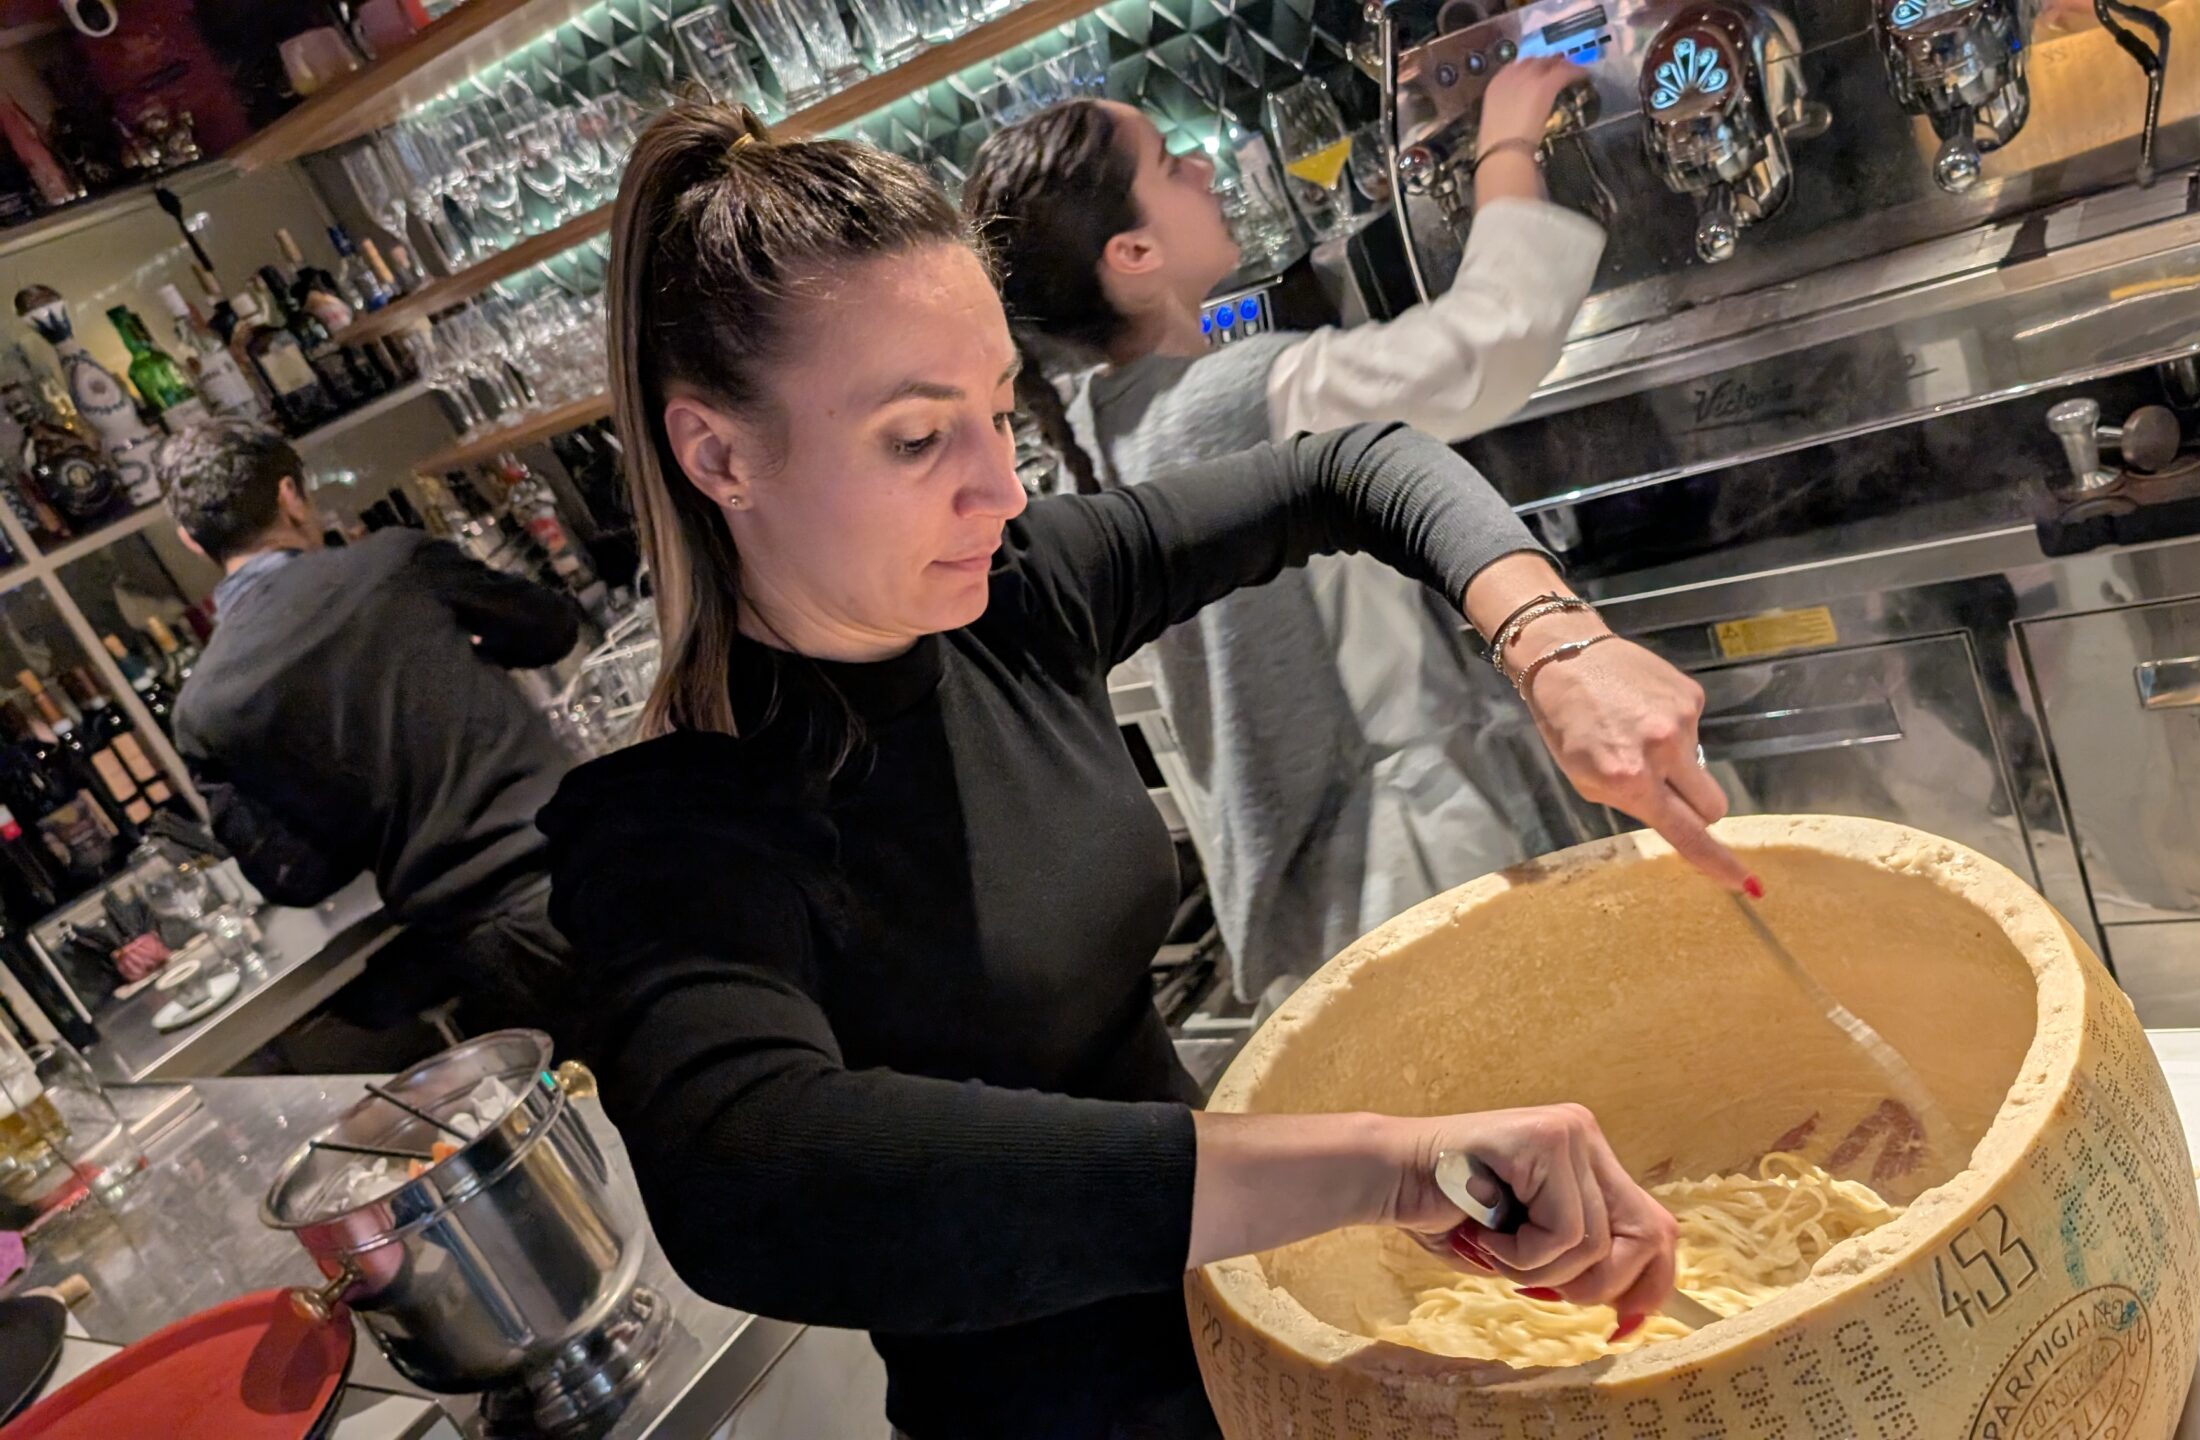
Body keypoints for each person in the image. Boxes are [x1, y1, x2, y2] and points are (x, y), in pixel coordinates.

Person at [538, 102, 1755, 1439]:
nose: (999, 491)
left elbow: (1356, 466)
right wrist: (1394, 1169)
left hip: (1259, 1338)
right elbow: (758, 1178)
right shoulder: (672, 827)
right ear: (718, 453)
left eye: (999, 414)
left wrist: (1555, 644)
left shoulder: (1016, 601)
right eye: (916, 437)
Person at [964, 63, 1618, 1002]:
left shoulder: (1110, 422)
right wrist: (1506, 144)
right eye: (1165, 162)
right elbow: (1490, 344)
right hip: (1411, 859)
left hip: (1318, 896)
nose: (1198, 166)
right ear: (1133, 254)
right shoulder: (1242, 398)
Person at [160, 419, 582, 1067]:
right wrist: (462, 657)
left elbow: (294, 877)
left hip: (490, 940)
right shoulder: (396, 563)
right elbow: (549, 629)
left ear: (193, 542)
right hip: (595, 851)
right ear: (291, 496)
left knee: (623, 1125)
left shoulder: (205, 707)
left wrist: (349, 789)